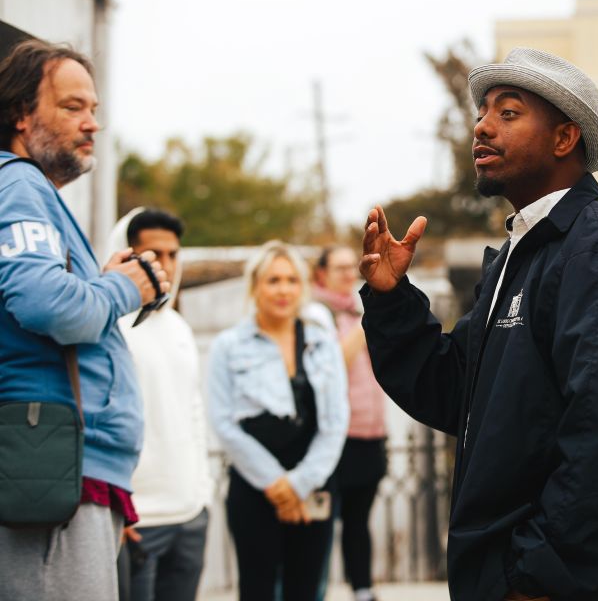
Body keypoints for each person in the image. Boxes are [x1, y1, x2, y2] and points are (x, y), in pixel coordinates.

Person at [358, 48, 598, 600]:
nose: (482, 127)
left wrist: (534, 579)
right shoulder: (523, 253)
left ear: (564, 139)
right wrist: (391, 300)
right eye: (482, 112)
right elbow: (454, 391)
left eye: (508, 113)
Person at [0, 39, 170, 599]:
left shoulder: (33, 193)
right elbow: (50, 306)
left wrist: (101, 282)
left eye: (94, 109)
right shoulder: (19, 184)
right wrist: (125, 286)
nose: (91, 123)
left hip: (64, 468)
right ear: (21, 114)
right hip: (51, 470)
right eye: (72, 107)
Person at [207, 240, 349, 601]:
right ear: (255, 286)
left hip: (313, 482)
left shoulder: (321, 340)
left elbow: (335, 420)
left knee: (306, 588)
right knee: (256, 588)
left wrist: (299, 484)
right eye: (273, 280)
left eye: (291, 280)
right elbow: (223, 423)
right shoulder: (229, 345)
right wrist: (276, 485)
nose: (283, 289)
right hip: (255, 486)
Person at [108, 208, 213, 601]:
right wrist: (116, 512)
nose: (166, 265)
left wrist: (201, 495)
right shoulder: (109, 325)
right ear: (126, 253)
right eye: (153, 254)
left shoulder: (178, 328)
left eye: (173, 254)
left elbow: (193, 412)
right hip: (138, 520)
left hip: (189, 516)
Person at [314, 246, 388, 601]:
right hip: (336, 436)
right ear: (321, 274)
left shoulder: (356, 309)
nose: (348, 274)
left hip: (370, 432)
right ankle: (316, 589)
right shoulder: (318, 314)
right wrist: (363, 321)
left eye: (351, 267)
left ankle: (362, 589)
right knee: (323, 523)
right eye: (339, 268)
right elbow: (334, 363)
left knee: (359, 522)